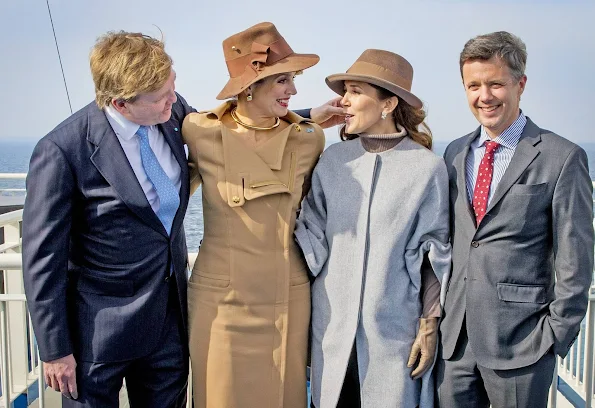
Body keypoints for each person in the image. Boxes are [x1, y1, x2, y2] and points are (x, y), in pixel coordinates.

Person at [22, 31, 193, 407]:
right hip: (97, 337)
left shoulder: (171, 112)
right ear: (121, 102)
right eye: (161, 96)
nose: (174, 99)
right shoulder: (61, 150)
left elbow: (232, 128)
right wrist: (54, 350)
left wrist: (304, 116)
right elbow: (42, 260)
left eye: (173, 86)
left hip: (168, 326)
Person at [436, 31, 594, 408]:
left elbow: (576, 258)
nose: (484, 96)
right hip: (454, 342)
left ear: (520, 84)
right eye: (473, 85)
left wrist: (555, 336)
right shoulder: (454, 153)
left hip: (523, 344)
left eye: (495, 83)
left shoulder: (562, 157)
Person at [295, 49, 451, 408]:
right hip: (330, 330)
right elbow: (308, 240)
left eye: (354, 91)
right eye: (344, 91)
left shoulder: (427, 169)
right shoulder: (333, 161)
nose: (343, 101)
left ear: (388, 104)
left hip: (394, 335)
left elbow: (433, 257)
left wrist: (429, 327)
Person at [181, 22, 325, 408]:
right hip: (222, 303)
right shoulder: (198, 132)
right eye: (281, 81)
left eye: (292, 80)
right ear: (249, 86)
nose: (293, 90)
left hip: (286, 296)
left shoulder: (309, 139)